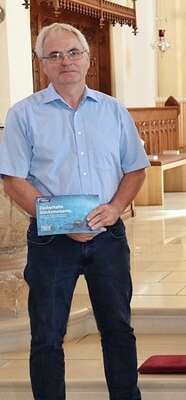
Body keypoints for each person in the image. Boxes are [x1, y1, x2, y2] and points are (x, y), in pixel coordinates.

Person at [0, 22, 148, 400]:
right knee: (47, 335)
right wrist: (61, 221)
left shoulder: (113, 111)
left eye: (73, 53)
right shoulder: (23, 115)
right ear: (43, 65)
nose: (66, 61)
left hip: (107, 237)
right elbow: (13, 180)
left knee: (118, 328)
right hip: (52, 242)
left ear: (87, 60)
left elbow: (135, 168)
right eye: (55, 55)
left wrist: (116, 208)